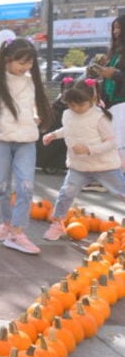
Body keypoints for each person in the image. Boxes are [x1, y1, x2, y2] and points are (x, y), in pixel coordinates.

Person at [0, 38, 51, 255]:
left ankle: (17, 232)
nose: (25, 67)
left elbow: (32, 107)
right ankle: (6, 225)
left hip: (26, 140)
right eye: (21, 63)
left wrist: (35, 117)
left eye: (29, 63)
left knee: (26, 186)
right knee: (3, 187)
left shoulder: (30, 81)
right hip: (0, 140)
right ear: (7, 59)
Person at [41, 79, 125, 240]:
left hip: (105, 166)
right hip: (78, 166)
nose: (76, 109)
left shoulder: (99, 117)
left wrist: (89, 149)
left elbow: (111, 142)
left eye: (80, 105)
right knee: (66, 193)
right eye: (71, 105)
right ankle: (57, 224)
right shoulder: (68, 114)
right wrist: (54, 135)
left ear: (91, 100)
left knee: (122, 191)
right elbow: (68, 129)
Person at [96, 13, 125, 170]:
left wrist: (114, 74)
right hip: (111, 102)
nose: (115, 32)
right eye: (114, 28)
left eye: (119, 28)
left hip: (122, 103)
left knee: (119, 143)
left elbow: (118, 75)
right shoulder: (115, 51)